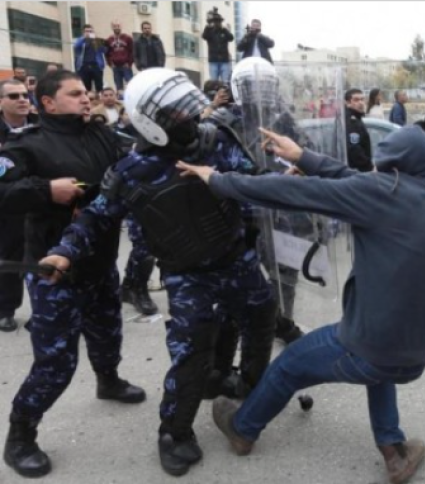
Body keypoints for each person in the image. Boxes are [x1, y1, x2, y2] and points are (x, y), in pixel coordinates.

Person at [177, 124, 425, 484]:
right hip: (414, 349)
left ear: (393, 173)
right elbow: (358, 181)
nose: (373, 172)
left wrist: (217, 179)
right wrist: (303, 157)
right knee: (381, 369)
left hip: (371, 345)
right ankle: (394, 452)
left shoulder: (380, 195)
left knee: (288, 366)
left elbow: (293, 191)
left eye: (381, 168)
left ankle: (242, 429)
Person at [41, 68, 277, 477]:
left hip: (238, 260)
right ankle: (175, 433)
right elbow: (94, 219)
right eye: (178, 113)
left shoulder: (215, 140)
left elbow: (251, 179)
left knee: (262, 322)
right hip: (189, 276)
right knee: (191, 353)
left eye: (189, 110)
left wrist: (283, 182)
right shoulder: (132, 169)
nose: (190, 118)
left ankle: (250, 393)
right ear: (153, 121)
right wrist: (64, 251)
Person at [0, 70, 145, 479]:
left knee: (107, 333)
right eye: (76, 93)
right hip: (53, 272)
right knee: (56, 364)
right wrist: (47, 192)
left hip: (100, 263)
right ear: (48, 103)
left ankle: (109, 381)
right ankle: (21, 435)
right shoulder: (24, 145)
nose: (87, 98)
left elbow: (128, 174)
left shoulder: (101, 135)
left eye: (87, 92)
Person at [0, 80, 38, 333]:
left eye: (25, 95)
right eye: (14, 96)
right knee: (8, 261)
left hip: (38, 205)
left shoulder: (40, 128)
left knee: (42, 261)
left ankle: (43, 312)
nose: (22, 99)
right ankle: (6, 310)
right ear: (1, 101)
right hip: (5, 207)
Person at [202, 8, 234, 83]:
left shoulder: (224, 31)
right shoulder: (209, 31)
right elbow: (204, 36)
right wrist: (208, 26)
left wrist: (225, 29)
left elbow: (231, 38)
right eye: (215, 21)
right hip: (213, 61)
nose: (217, 23)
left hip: (224, 61)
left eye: (219, 21)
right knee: (214, 82)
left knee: (225, 82)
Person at [344, 88, 373, 172]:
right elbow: (354, 150)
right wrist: (369, 167)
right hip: (358, 171)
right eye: (356, 100)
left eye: (362, 99)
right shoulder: (352, 121)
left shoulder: (355, 117)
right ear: (347, 103)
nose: (360, 103)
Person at [73, 24, 107, 93]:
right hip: (84, 65)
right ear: (83, 32)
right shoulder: (80, 40)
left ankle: (99, 99)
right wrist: (84, 38)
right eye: (87, 31)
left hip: (96, 65)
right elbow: (76, 46)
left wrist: (97, 41)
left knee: (99, 85)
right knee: (86, 86)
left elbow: (104, 50)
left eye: (90, 31)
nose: (89, 33)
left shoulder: (97, 40)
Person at [105, 21, 134, 91]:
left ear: (121, 27)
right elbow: (107, 53)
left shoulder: (128, 38)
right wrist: (110, 64)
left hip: (126, 66)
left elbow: (132, 51)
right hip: (115, 67)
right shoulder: (109, 40)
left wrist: (129, 63)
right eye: (115, 26)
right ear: (112, 28)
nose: (117, 28)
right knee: (118, 86)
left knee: (131, 84)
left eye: (118, 26)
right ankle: (120, 99)